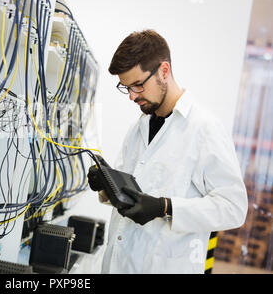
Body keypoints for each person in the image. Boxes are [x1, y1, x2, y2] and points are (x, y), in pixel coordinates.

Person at [88, 30, 248, 273]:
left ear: (164, 71)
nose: (132, 96)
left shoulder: (204, 128)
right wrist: (106, 184)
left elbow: (233, 208)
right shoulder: (138, 127)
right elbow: (131, 197)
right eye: (126, 87)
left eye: (138, 85)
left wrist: (166, 207)